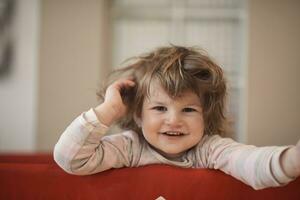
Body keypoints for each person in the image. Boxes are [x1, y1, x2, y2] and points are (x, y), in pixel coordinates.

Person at [53, 45, 300, 190]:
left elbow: (248, 162)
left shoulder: (209, 149)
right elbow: (70, 159)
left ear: (206, 117)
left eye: (189, 110)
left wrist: (292, 160)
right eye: (160, 109)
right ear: (138, 115)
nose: (173, 120)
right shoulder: (129, 147)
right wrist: (109, 109)